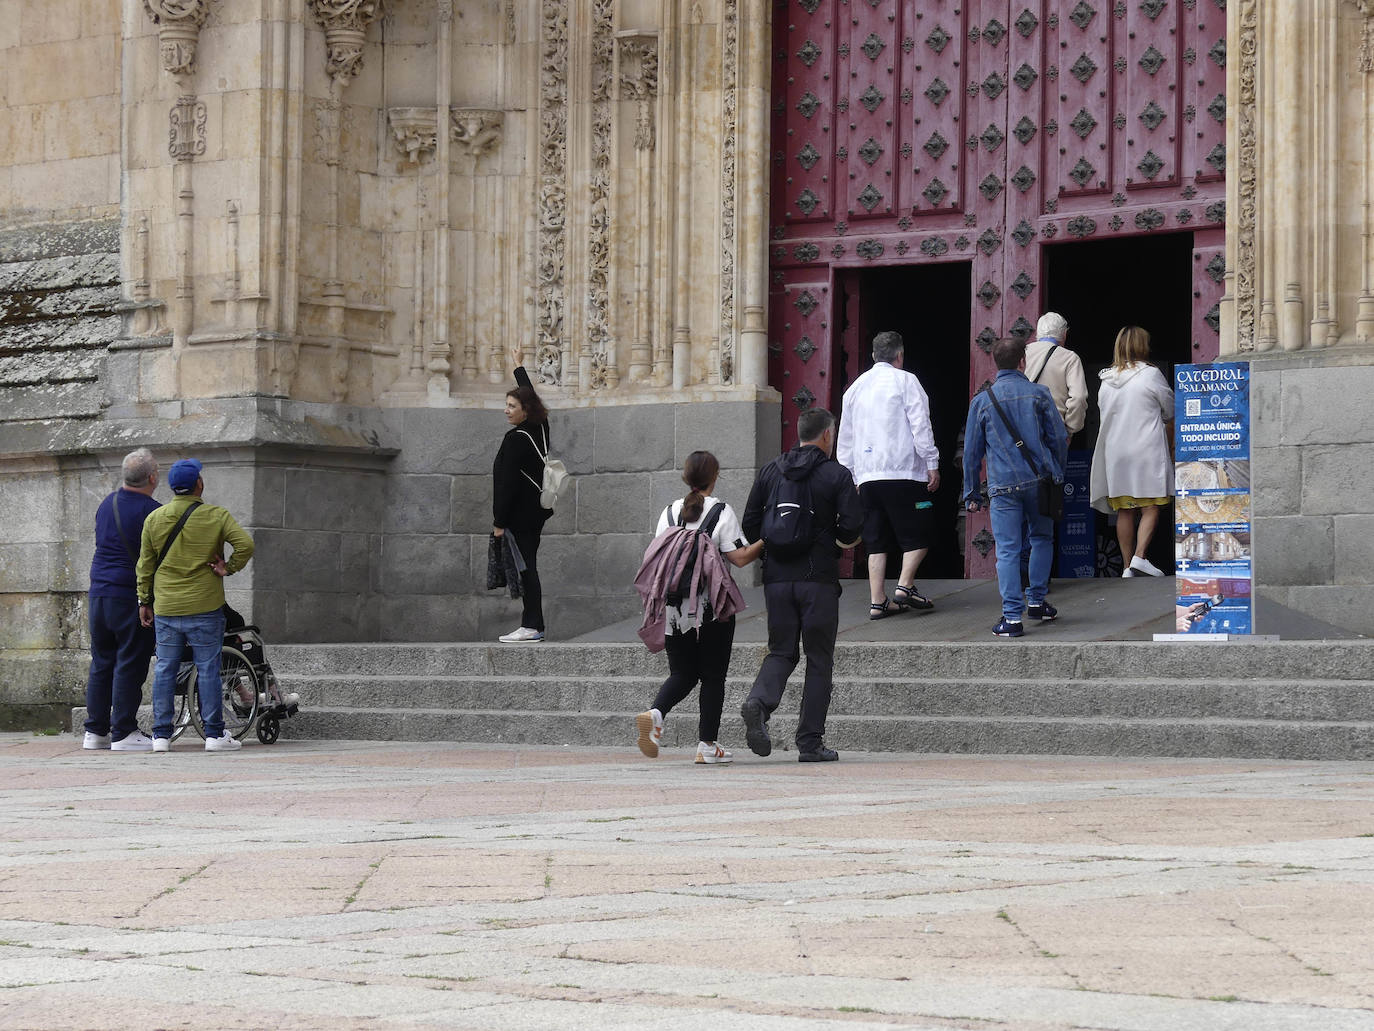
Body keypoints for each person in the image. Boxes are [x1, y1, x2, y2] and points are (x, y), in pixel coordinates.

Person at [739, 407, 863, 762]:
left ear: (799, 433)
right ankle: (809, 743)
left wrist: (774, 548)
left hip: (777, 580)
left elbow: (749, 524)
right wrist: (830, 541)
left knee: (781, 650)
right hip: (818, 580)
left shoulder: (771, 470)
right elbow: (853, 526)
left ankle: (758, 704)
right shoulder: (836, 474)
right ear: (827, 435)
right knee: (819, 659)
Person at [635, 451, 762, 765]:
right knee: (713, 675)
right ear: (715, 476)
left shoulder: (668, 513)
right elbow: (741, 558)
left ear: (685, 477)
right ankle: (707, 745)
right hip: (711, 608)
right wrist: (766, 540)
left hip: (673, 608)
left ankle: (656, 713)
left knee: (683, 672)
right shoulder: (721, 511)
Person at [137, 459, 255, 752]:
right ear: (199, 484)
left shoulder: (155, 518)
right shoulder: (216, 516)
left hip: (166, 606)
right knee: (208, 669)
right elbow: (246, 545)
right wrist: (228, 568)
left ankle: (161, 736)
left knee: (165, 669)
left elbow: (145, 565)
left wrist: (144, 600)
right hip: (205, 605)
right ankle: (214, 735)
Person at [962, 337, 1068, 638]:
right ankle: (1036, 601)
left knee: (1007, 550)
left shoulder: (982, 401)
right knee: (1042, 539)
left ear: (996, 363)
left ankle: (1011, 618)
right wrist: (1056, 471)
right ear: (1023, 360)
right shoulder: (1039, 394)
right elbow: (1058, 438)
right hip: (1039, 482)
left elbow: (971, 453)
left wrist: (971, 491)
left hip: (1003, 486)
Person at [836, 330, 940, 619]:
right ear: (900, 355)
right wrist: (932, 462)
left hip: (868, 477)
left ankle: (877, 601)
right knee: (921, 529)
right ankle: (905, 586)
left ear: (873, 356)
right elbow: (920, 424)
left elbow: (846, 436)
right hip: (904, 472)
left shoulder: (855, 388)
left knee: (875, 538)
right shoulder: (906, 380)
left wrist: (852, 475)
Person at [82, 448, 161, 752]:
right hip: (129, 594)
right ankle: (125, 730)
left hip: (99, 592)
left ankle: (95, 731)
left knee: (102, 662)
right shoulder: (153, 511)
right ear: (152, 477)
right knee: (130, 660)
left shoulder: (106, 504)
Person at [1089, 326, 1175, 577]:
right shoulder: (1150, 375)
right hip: (1145, 449)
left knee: (1125, 509)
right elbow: (1170, 409)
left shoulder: (1106, 381)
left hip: (1116, 453)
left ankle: (1127, 567)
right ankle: (1140, 557)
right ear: (1143, 346)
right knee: (1150, 507)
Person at [492, 362, 552, 642]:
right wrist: (518, 368)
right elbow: (532, 397)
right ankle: (532, 624)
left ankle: (532, 625)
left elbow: (506, 485)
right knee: (528, 564)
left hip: (518, 516)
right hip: (536, 513)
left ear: (524, 411)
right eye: (506, 404)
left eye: (512, 406)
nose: (507, 410)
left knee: (526, 567)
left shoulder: (516, 439)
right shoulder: (539, 430)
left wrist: (499, 523)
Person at [1025, 312, 1088, 437]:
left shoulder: (1022, 353)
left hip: (1023, 428)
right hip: (1053, 430)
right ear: (1064, 334)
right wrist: (1070, 429)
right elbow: (1078, 397)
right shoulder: (1070, 358)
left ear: (1038, 333)